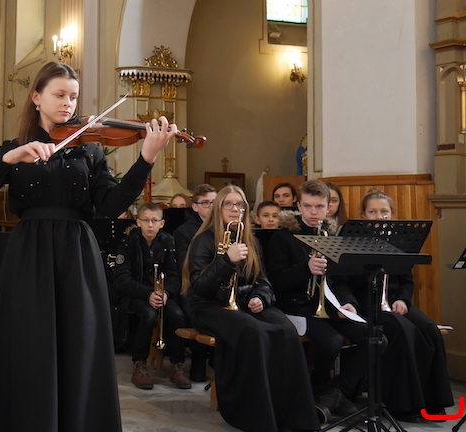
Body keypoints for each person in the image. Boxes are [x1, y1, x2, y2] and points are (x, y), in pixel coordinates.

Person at [0, 61, 175, 432]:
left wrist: (147, 158)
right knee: (29, 341)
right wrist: (11, 158)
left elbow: (110, 205)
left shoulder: (89, 151)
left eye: (73, 97)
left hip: (77, 253)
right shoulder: (16, 148)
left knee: (80, 341)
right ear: (36, 97)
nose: (68, 103)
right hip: (29, 253)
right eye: (59, 94)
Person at [182, 185, 319, 432]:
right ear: (218, 208)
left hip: (244, 302)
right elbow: (200, 287)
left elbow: (263, 280)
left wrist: (260, 298)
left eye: (240, 205)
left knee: (286, 330)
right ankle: (257, 416)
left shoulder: (251, 240)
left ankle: (293, 416)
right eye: (229, 204)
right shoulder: (203, 240)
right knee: (254, 333)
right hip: (209, 306)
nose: (235, 209)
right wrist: (226, 260)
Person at [266, 179, 377, 419]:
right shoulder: (283, 237)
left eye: (319, 206)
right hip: (296, 307)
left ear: (329, 207)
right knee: (332, 341)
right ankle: (319, 389)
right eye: (307, 206)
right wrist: (305, 268)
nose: (313, 212)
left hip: (330, 305)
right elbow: (276, 281)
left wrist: (349, 303)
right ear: (298, 205)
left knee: (375, 338)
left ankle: (335, 393)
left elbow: (341, 281)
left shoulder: (333, 236)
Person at [348, 189, 453, 421]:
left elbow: (406, 280)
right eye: (372, 212)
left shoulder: (399, 241)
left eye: (384, 212)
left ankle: (432, 401)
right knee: (403, 331)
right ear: (363, 215)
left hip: (394, 302)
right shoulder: (353, 241)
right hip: (366, 303)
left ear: (392, 214)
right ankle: (403, 404)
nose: (379, 217)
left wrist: (402, 300)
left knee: (430, 330)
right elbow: (347, 281)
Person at [113, 203, 191, 390]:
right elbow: (121, 280)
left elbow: (174, 276)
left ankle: (177, 365)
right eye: (146, 220)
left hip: (160, 294)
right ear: (138, 222)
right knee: (148, 316)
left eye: (154, 221)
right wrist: (147, 294)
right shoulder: (128, 243)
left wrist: (165, 293)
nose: (150, 225)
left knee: (177, 315)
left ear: (162, 223)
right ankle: (139, 364)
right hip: (136, 294)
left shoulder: (167, 243)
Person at [170, 182, 215, 381]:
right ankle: (198, 360)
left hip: (217, 285)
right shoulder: (184, 231)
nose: (211, 207)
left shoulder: (223, 226)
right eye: (205, 203)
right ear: (195, 207)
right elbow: (184, 266)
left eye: (214, 202)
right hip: (192, 286)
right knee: (196, 313)